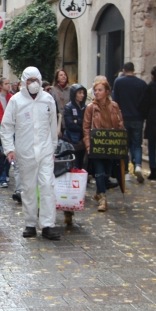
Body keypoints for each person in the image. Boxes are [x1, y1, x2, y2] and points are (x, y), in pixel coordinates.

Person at [1, 67, 60, 240]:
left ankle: (48, 224)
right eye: (29, 80)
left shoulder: (47, 100)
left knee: (47, 186)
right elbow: (7, 126)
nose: (33, 83)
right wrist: (9, 149)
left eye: (36, 80)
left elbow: (52, 126)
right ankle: (30, 223)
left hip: (45, 150)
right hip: (25, 151)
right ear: (23, 82)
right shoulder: (16, 101)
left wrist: (53, 149)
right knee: (28, 188)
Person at [83, 80, 124, 212]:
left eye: (100, 90)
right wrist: (88, 145)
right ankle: (102, 198)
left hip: (110, 144)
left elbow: (120, 124)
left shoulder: (114, 106)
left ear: (107, 92)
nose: (97, 92)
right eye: (95, 90)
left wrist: (120, 141)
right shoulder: (91, 107)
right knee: (99, 172)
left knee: (107, 172)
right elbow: (86, 127)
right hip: (97, 144)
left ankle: (98, 192)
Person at [112, 62, 147, 183]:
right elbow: (144, 102)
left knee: (124, 145)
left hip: (123, 118)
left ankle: (125, 170)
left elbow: (115, 101)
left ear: (124, 70)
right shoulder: (141, 84)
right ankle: (137, 165)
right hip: (137, 117)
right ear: (134, 70)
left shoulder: (118, 82)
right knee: (137, 144)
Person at [62, 84, 87, 226]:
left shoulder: (84, 107)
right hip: (72, 140)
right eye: (79, 93)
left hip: (82, 141)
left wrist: (80, 122)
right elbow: (70, 124)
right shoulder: (69, 107)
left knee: (80, 166)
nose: (82, 95)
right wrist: (80, 123)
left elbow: (86, 123)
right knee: (72, 166)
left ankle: (78, 189)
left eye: (83, 93)